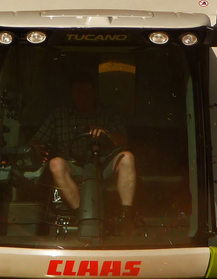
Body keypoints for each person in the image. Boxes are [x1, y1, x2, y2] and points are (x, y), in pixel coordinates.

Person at [30, 72, 138, 228]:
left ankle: (125, 216)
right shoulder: (59, 115)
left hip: (103, 165)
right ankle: (83, 215)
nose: (82, 96)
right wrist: (38, 147)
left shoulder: (108, 113)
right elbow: (36, 141)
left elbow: (124, 141)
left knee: (127, 157)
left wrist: (106, 134)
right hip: (73, 166)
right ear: (72, 94)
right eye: (78, 92)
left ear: (94, 93)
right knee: (55, 164)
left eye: (86, 92)